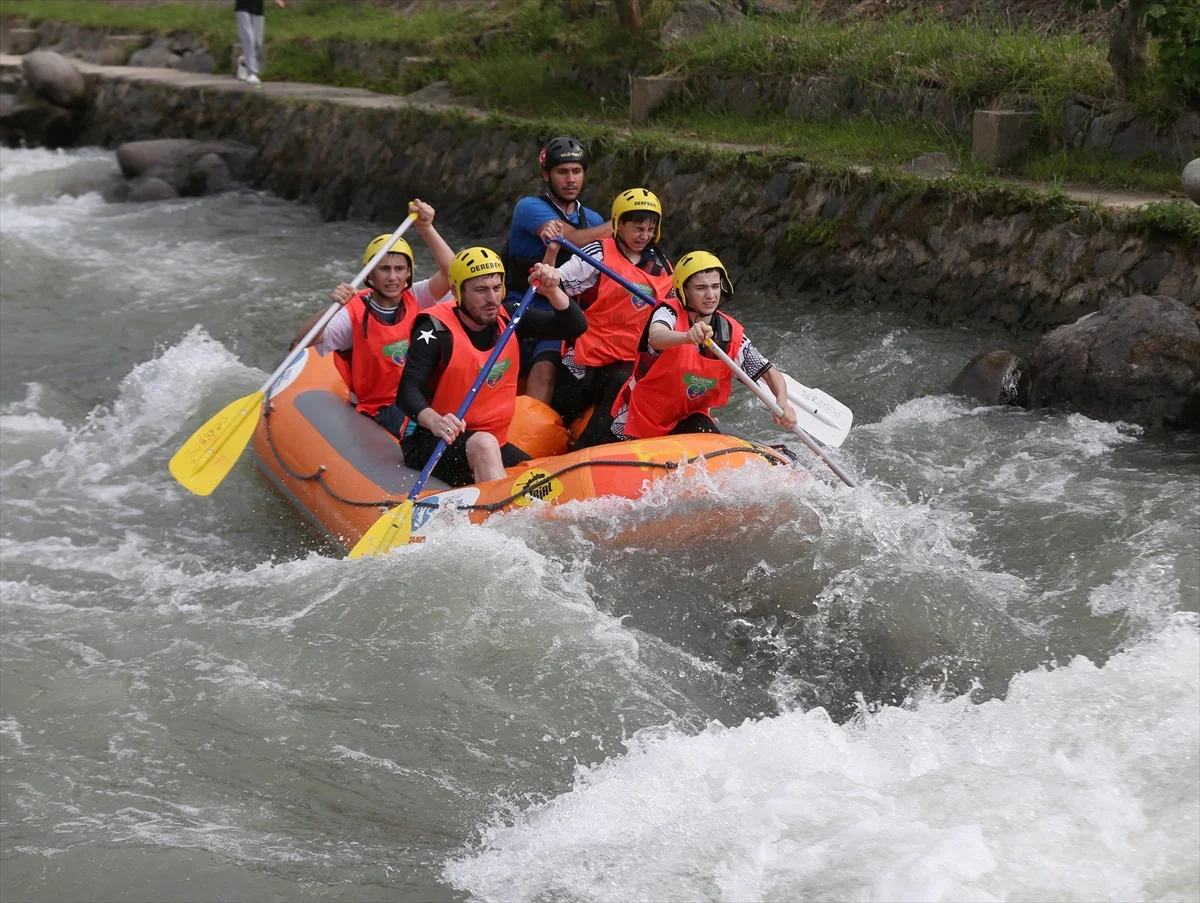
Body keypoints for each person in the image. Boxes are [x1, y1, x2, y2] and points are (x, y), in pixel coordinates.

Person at [396, 250, 587, 487]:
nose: (492, 299)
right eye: (480, 290)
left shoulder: (511, 317)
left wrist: (552, 291)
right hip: (434, 439)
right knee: (484, 443)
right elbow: (407, 391)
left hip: (495, 441)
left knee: (543, 481)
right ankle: (501, 519)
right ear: (457, 292)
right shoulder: (435, 330)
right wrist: (435, 421)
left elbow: (575, 327)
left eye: (497, 288)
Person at [293, 199, 454, 437]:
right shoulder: (352, 312)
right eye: (384, 269)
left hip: (418, 396)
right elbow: (305, 340)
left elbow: (453, 273)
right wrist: (332, 307)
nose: (392, 277)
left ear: (408, 272)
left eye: (399, 269)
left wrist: (426, 227)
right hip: (382, 406)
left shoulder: (416, 296)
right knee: (427, 433)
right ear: (370, 273)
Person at [610, 251, 798, 440]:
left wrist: (782, 403)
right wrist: (686, 336)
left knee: (706, 427)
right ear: (684, 291)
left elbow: (768, 370)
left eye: (715, 286)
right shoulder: (668, 312)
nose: (711, 295)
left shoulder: (730, 333)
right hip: (640, 418)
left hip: (687, 421)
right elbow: (656, 337)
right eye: (701, 288)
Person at [549, 187, 675, 449]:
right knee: (563, 408)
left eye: (650, 229)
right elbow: (560, 280)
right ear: (619, 224)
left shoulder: (661, 264)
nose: (645, 235)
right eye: (638, 228)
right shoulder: (597, 253)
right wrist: (549, 274)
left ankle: (587, 450)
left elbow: (672, 308)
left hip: (627, 358)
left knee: (620, 392)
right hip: (586, 351)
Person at [500, 136, 609, 405]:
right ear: (546, 175)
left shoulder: (592, 219)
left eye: (577, 171)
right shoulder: (529, 207)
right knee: (546, 355)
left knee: (554, 360)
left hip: (563, 308)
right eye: (562, 172)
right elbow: (574, 238)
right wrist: (626, 221)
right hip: (520, 303)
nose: (571, 179)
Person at [234, 0, 284, 87]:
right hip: (242, 7)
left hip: (257, 8)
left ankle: (244, 62)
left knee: (257, 43)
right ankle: (252, 74)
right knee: (248, 39)